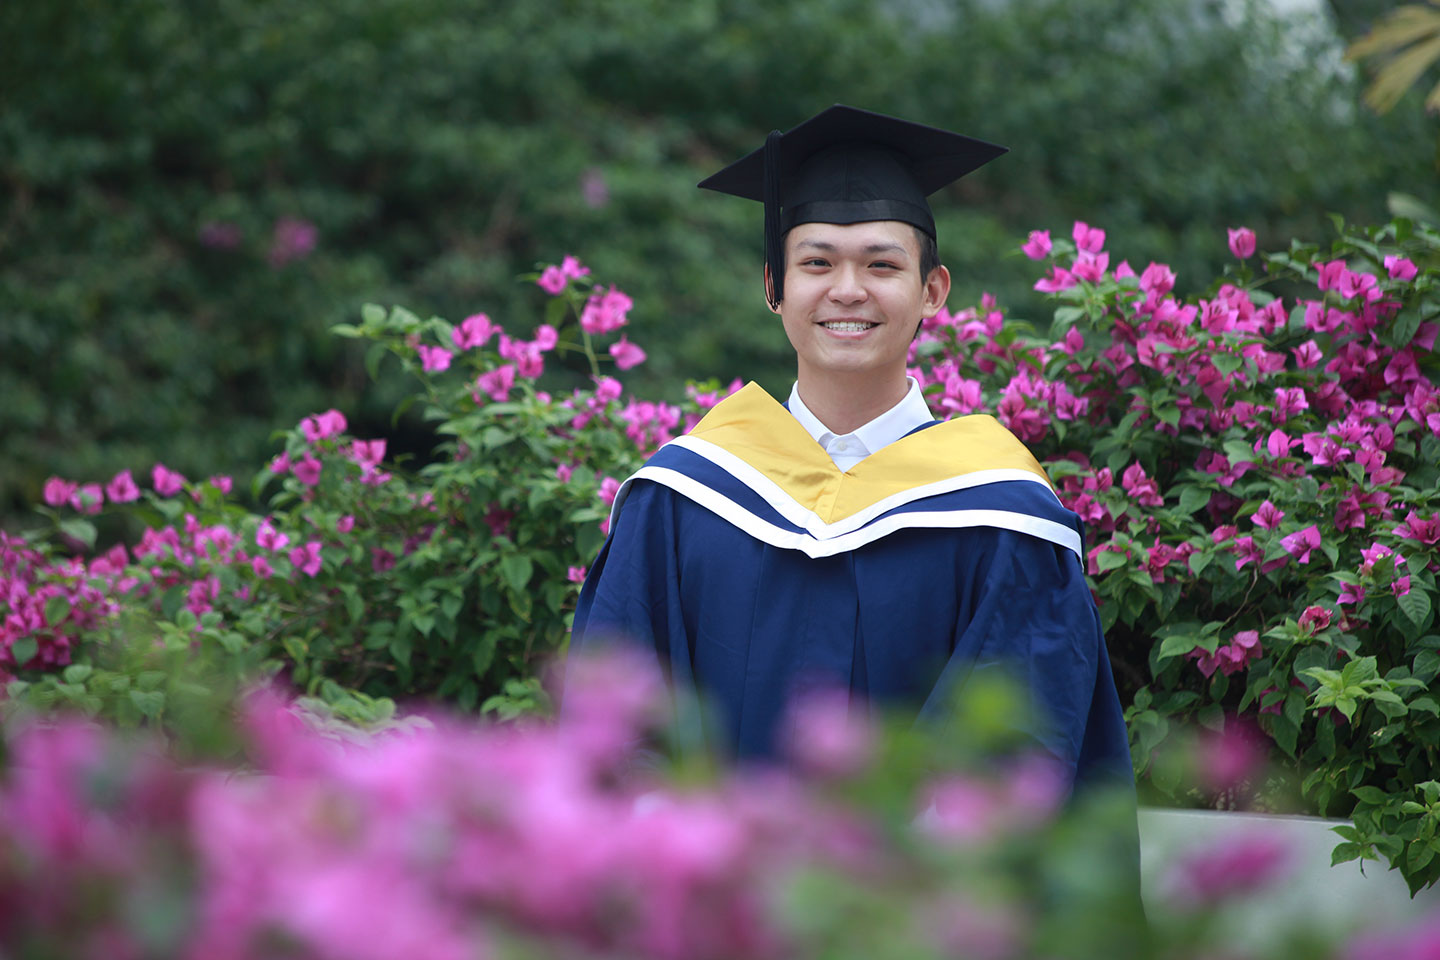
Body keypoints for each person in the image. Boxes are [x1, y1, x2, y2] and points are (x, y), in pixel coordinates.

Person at [569, 105, 1133, 794]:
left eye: (880, 264)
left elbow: (1020, 753)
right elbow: (616, 729)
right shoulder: (682, 500)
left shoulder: (1000, 518)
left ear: (932, 291)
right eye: (816, 262)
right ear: (774, 286)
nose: (847, 289)